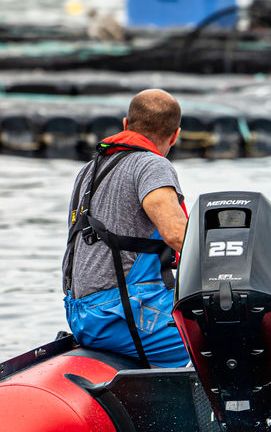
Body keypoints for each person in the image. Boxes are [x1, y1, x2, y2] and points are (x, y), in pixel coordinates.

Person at [62, 89, 189, 366]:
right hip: (122, 315)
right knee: (231, 333)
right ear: (175, 135)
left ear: (125, 124)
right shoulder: (152, 165)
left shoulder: (89, 170)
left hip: (81, 315)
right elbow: (177, 234)